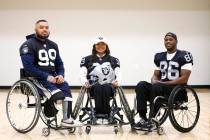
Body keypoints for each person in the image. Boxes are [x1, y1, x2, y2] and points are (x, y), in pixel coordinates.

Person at [19, 19, 82, 127]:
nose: (44, 29)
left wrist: (61, 75)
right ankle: (49, 111)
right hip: (36, 79)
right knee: (58, 94)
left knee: (65, 87)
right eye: (41, 27)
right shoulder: (27, 45)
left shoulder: (53, 45)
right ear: (35, 29)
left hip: (52, 78)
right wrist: (46, 76)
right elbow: (29, 67)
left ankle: (67, 119)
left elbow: (59, 63)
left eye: (46, 27)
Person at [134, 32, 193, 129]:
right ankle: (143, 117)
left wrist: (161, 83)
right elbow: (155, 75)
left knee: (157, 86)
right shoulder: (159, 56)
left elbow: (184, 78)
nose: (168, 41)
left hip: (176, 89)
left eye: (171, 39)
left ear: (176, 41)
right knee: (141, 85)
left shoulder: (184, 55)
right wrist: (154, 80)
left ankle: (152, 118)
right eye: (166, 40)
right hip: (160, 88)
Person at [79, 37, 121, 124]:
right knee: (98, 86)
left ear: (106, 46)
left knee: (105, 86)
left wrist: (118, 81)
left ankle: (106, 114)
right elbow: (82, 74)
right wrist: (85, 82)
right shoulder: (87, 59)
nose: (100, 46)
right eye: (98, 44)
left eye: (103, 44)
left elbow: (118, 73)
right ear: (94, 46)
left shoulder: (113, 60)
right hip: (93, 86)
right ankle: (99, 114)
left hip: (109, 86)